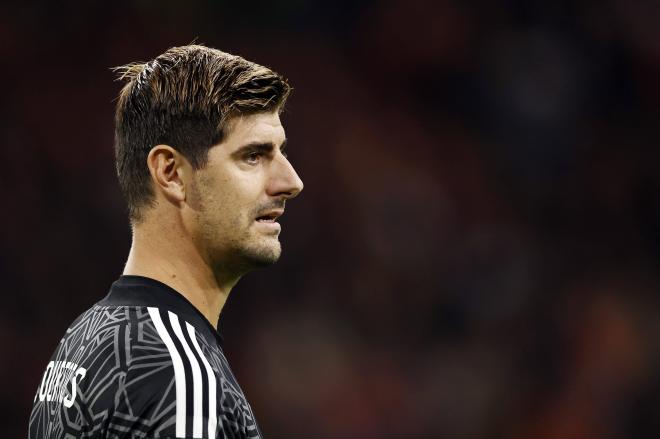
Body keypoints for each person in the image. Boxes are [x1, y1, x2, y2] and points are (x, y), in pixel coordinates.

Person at [28, 44, 303, 439]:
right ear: (171, 173)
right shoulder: (180, 377)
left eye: (281, 152)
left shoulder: (84, 339)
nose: (291, 182)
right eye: (253, 156)